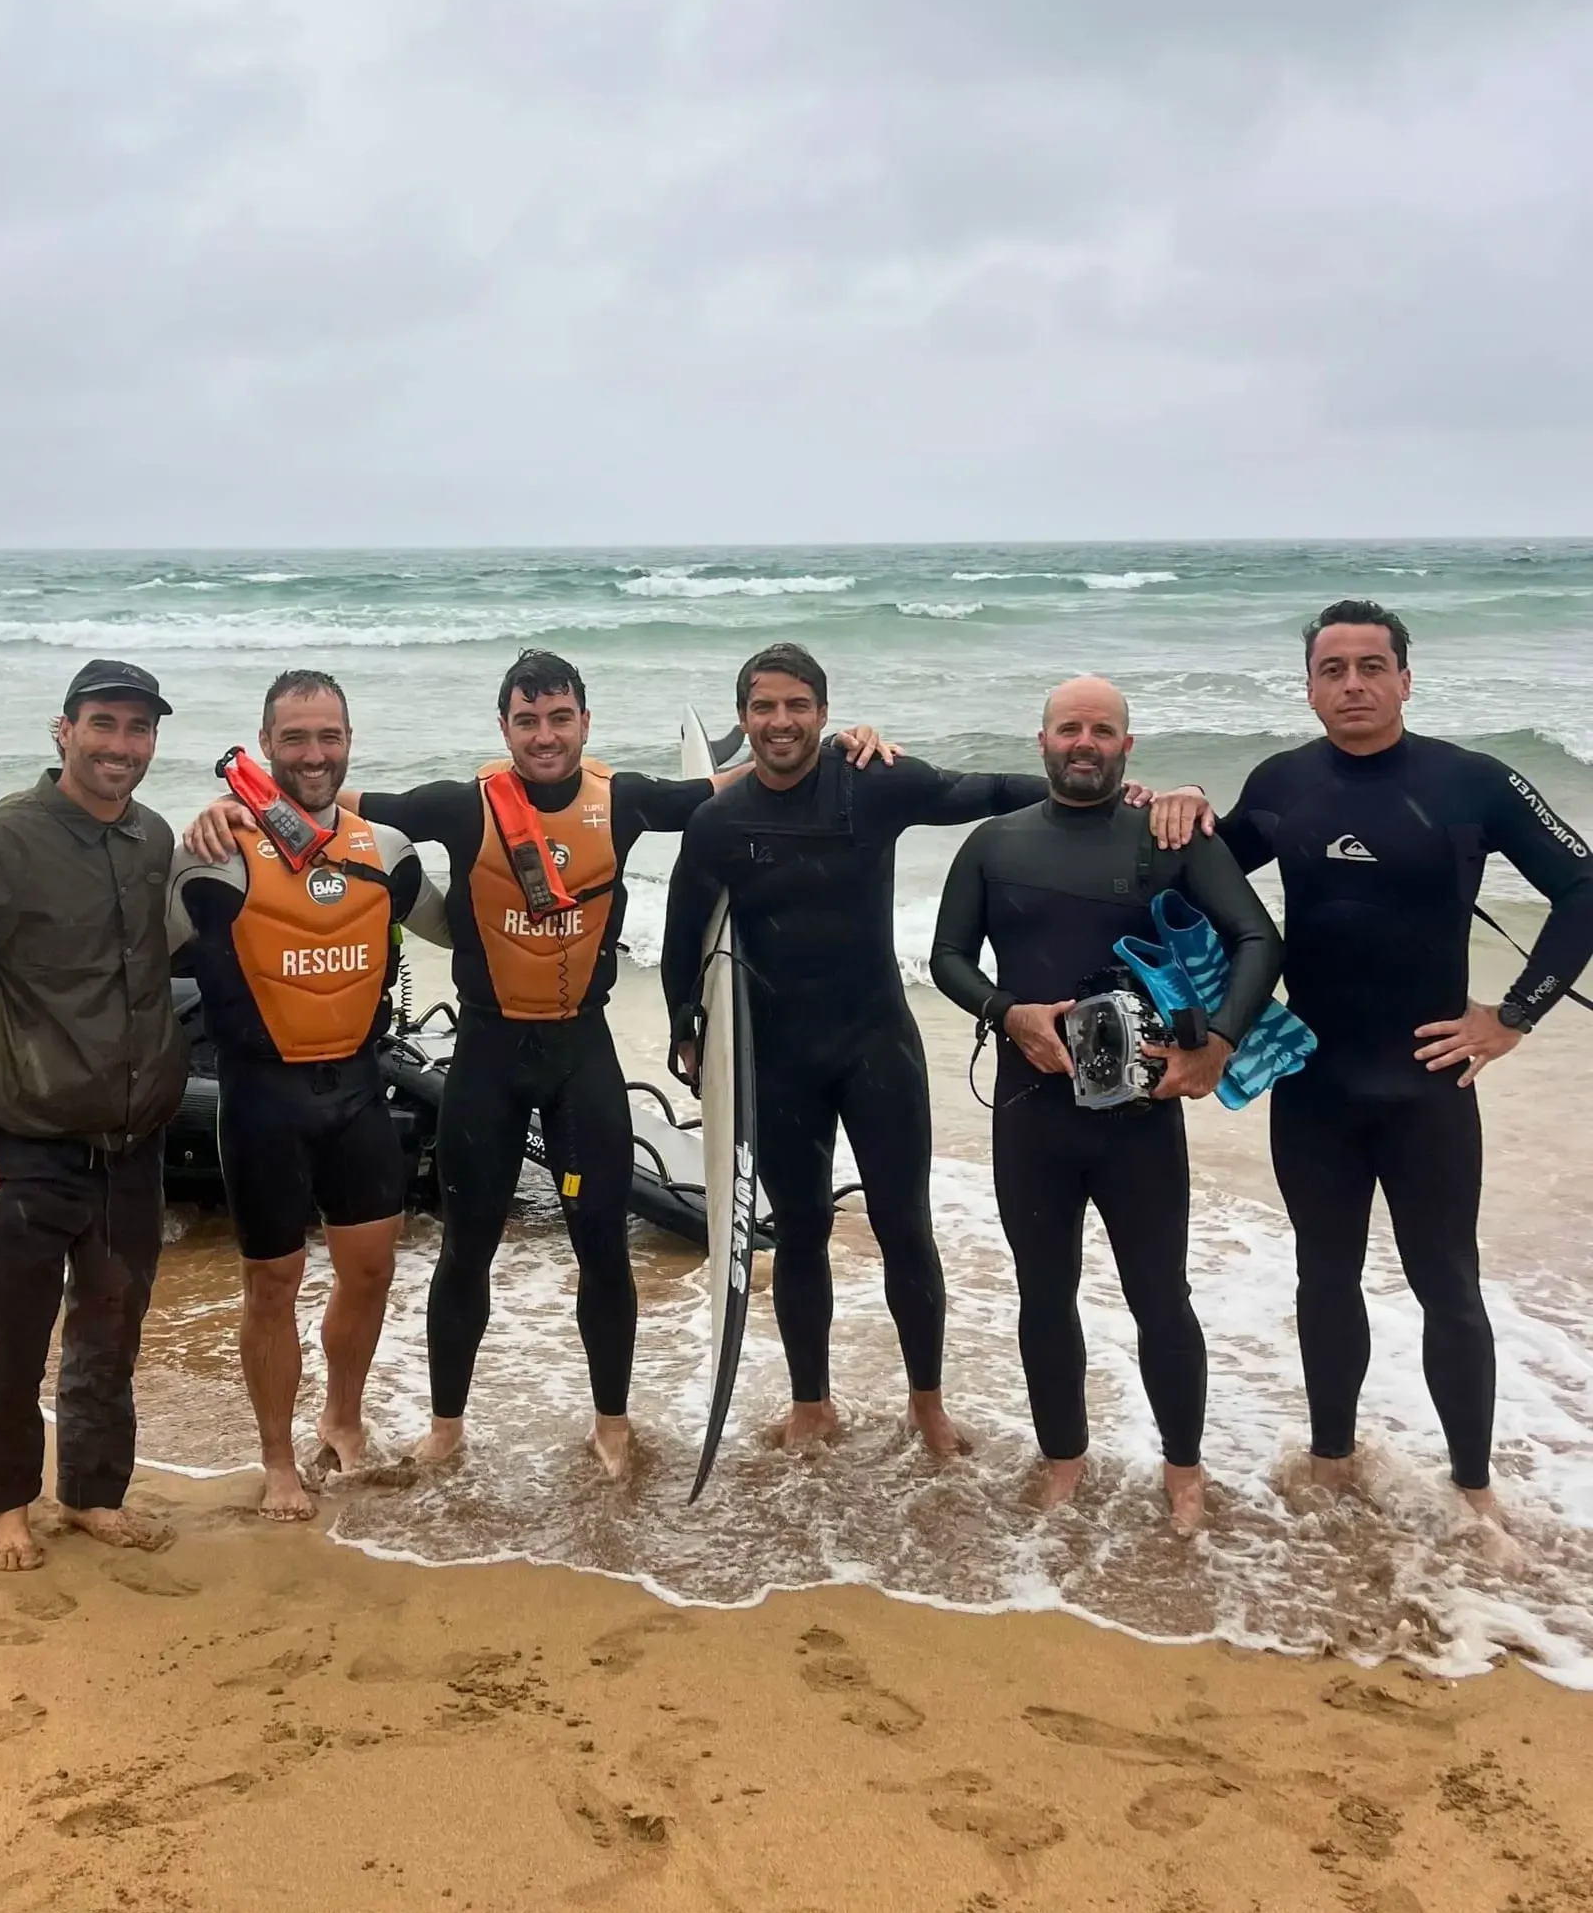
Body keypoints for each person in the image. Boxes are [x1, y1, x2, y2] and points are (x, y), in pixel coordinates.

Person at [185, 648, 893, 1479]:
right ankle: (446, 1426)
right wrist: (232, 806)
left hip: (579, 1053)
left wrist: (842, 743)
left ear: (584, 723)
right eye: (528, 720)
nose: (545, 735)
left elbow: (736, 777)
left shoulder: (621, 799)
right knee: (468, 1249)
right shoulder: (458, 805)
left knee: (602, 1246)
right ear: (505, 727)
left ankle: (612, 1423)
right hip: (486, 1056)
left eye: (560, 718)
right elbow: (322, 800)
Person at [660, 643, 1179, 1457]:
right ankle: (811, 1404)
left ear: (824, 714)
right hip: (781, 1054)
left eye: (797, 705)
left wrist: (1116, 794)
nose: (781, 721)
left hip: (876, 1045)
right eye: (764, 707)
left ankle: (926, 1403)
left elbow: (984, 792)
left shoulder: (875, 783)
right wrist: (686, 1033)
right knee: (797, 1230)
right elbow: (683, 938)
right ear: (742, 719)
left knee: (906, 1226)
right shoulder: (719, 822)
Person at [1205, 600, 1593, 1522]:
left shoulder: (1474, 781)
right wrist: (1171, 808)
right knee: (1323, 1276)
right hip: (1312, 1083)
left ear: (1406, 680)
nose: (1353, 684)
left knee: (1447, 1282)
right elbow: (1197, 875)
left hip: (1427, 1084)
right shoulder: (1281, 783)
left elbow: (1585, 886)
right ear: (1308, 688)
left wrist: (1514, 1015)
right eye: (1332, 669)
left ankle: (1474, 1493)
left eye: (1371, 666)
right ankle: (1332, 1459)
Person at [929, 677, 1282, 1532]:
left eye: (1102, 729)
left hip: (1142, 1111)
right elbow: (946, 956)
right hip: (1030, 1107)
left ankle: (1184, 1471)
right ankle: (1063, 1461)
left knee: (1161, 1295)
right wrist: (1005, 1011)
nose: (1083, 741)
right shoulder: (992, 843)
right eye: (1068, 727)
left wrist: (1218, 1043)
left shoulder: (1170, 837)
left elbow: (1258, 937)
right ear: (1041, 740)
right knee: (1043, 1294)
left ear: (1128, 745)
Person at [0, 660, 190, 1574]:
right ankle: (6, 1508)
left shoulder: (153, 840)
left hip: (129, 1143)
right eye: (104, 724)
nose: (122, 746)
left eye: (139, 729)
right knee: (7, 1336)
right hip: (22, 1138)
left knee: (111, 1332)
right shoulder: (2, 839)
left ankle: (95, 1495)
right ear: (62, 729)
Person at [169, 668, 450, 1524]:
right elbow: (128, 952)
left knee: (369, 1270)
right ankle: (277, 1457)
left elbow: (465, 928)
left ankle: (344, 1418)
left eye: (329, 735)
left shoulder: (385, 850)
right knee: (272, 1282)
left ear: (350, 742)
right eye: (294, 737)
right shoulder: (211, 853)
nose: (313, 753)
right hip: (261, 1098)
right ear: (264, 746)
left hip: (358, 1093)